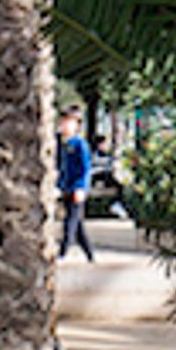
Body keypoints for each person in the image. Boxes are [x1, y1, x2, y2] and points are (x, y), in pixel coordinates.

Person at [56, 110, 96, 262]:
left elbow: (86, 168)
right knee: (78, 226)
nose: (65, 125)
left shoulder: (80, 144)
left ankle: (62, 252)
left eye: (70, 122)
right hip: (66, 187)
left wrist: (82, 187)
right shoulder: (61, 142)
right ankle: (90, 254)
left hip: (76, 189)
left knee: (70, 223)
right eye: (64, 121)